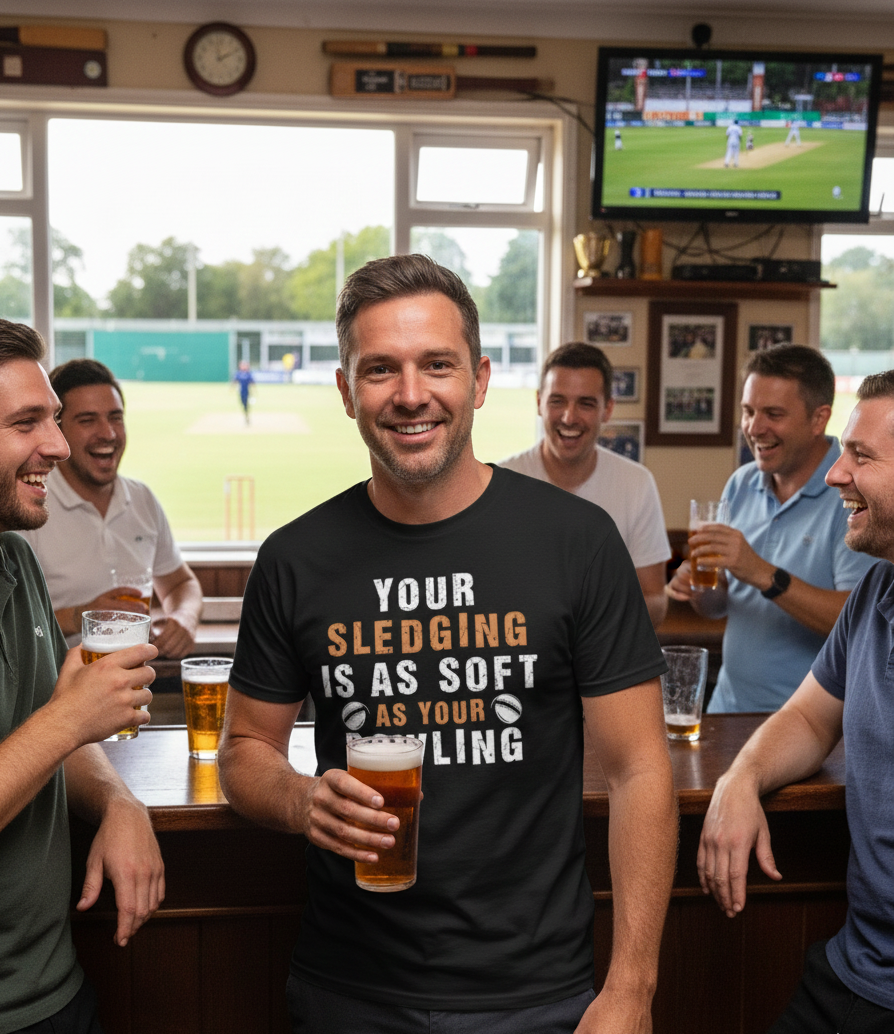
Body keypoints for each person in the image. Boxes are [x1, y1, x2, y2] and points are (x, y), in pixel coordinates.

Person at [218, 255, 677, 1034]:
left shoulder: (577, 542)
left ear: (482, 378)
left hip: (541, 992)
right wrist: (301, 799)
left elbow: (640, 770)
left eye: (438, 364)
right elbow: (242, 752)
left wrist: (631, 988)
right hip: (350, 990)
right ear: (344, 390)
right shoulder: (296, 558)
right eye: (379, 370)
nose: (410, 394)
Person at [697, 370, 894, 1033]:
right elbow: (811, 715)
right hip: (853, 973)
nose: (838, 475)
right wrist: (740, 779)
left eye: (861, 456)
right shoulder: (877, 595)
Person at [0, 320, 163, 1032]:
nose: (59, 446)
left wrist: (121, 804)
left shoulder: (15, 556)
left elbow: (47, 727)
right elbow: (57, 723)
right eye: (26, 422)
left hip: (54, 990)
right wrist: (74, 716)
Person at [666, 345, 874, 712]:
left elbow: (859, 622)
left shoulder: (853, 495)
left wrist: (761, 572)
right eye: (748, 411)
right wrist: (701, 585)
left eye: (773, 414)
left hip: (812, 727)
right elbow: (718, 607)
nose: (753, 428)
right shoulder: (742, 482)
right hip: (726, 710)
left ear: (818, 418)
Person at [20, 359, 203, 659]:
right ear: (57, 430)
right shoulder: (29, 505)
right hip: (56, 696)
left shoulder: (142, 499)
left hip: (137, 688)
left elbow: (181, 583)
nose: (108, 433)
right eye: (87, 420)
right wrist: (82, 616)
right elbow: (12, 623)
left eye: (115, 417)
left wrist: (184, 618)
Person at [501, 342, 671, 628]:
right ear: (539, 403)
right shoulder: (502, 482)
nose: (569, 417)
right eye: (557, 400)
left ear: (608, 409)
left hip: (606, 667)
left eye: (586, 403)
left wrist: (594, 616)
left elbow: (655, 600)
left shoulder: (636, 483)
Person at [234, 359, 254, 423]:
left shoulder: (248, 374)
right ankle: (246, 413)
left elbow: (252, 382)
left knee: (246, 404)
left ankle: (247, 415)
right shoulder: (239, 373)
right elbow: (235, 381)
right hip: (241, 391)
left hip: (247, 391)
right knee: (242, 403)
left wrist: (254, 390)